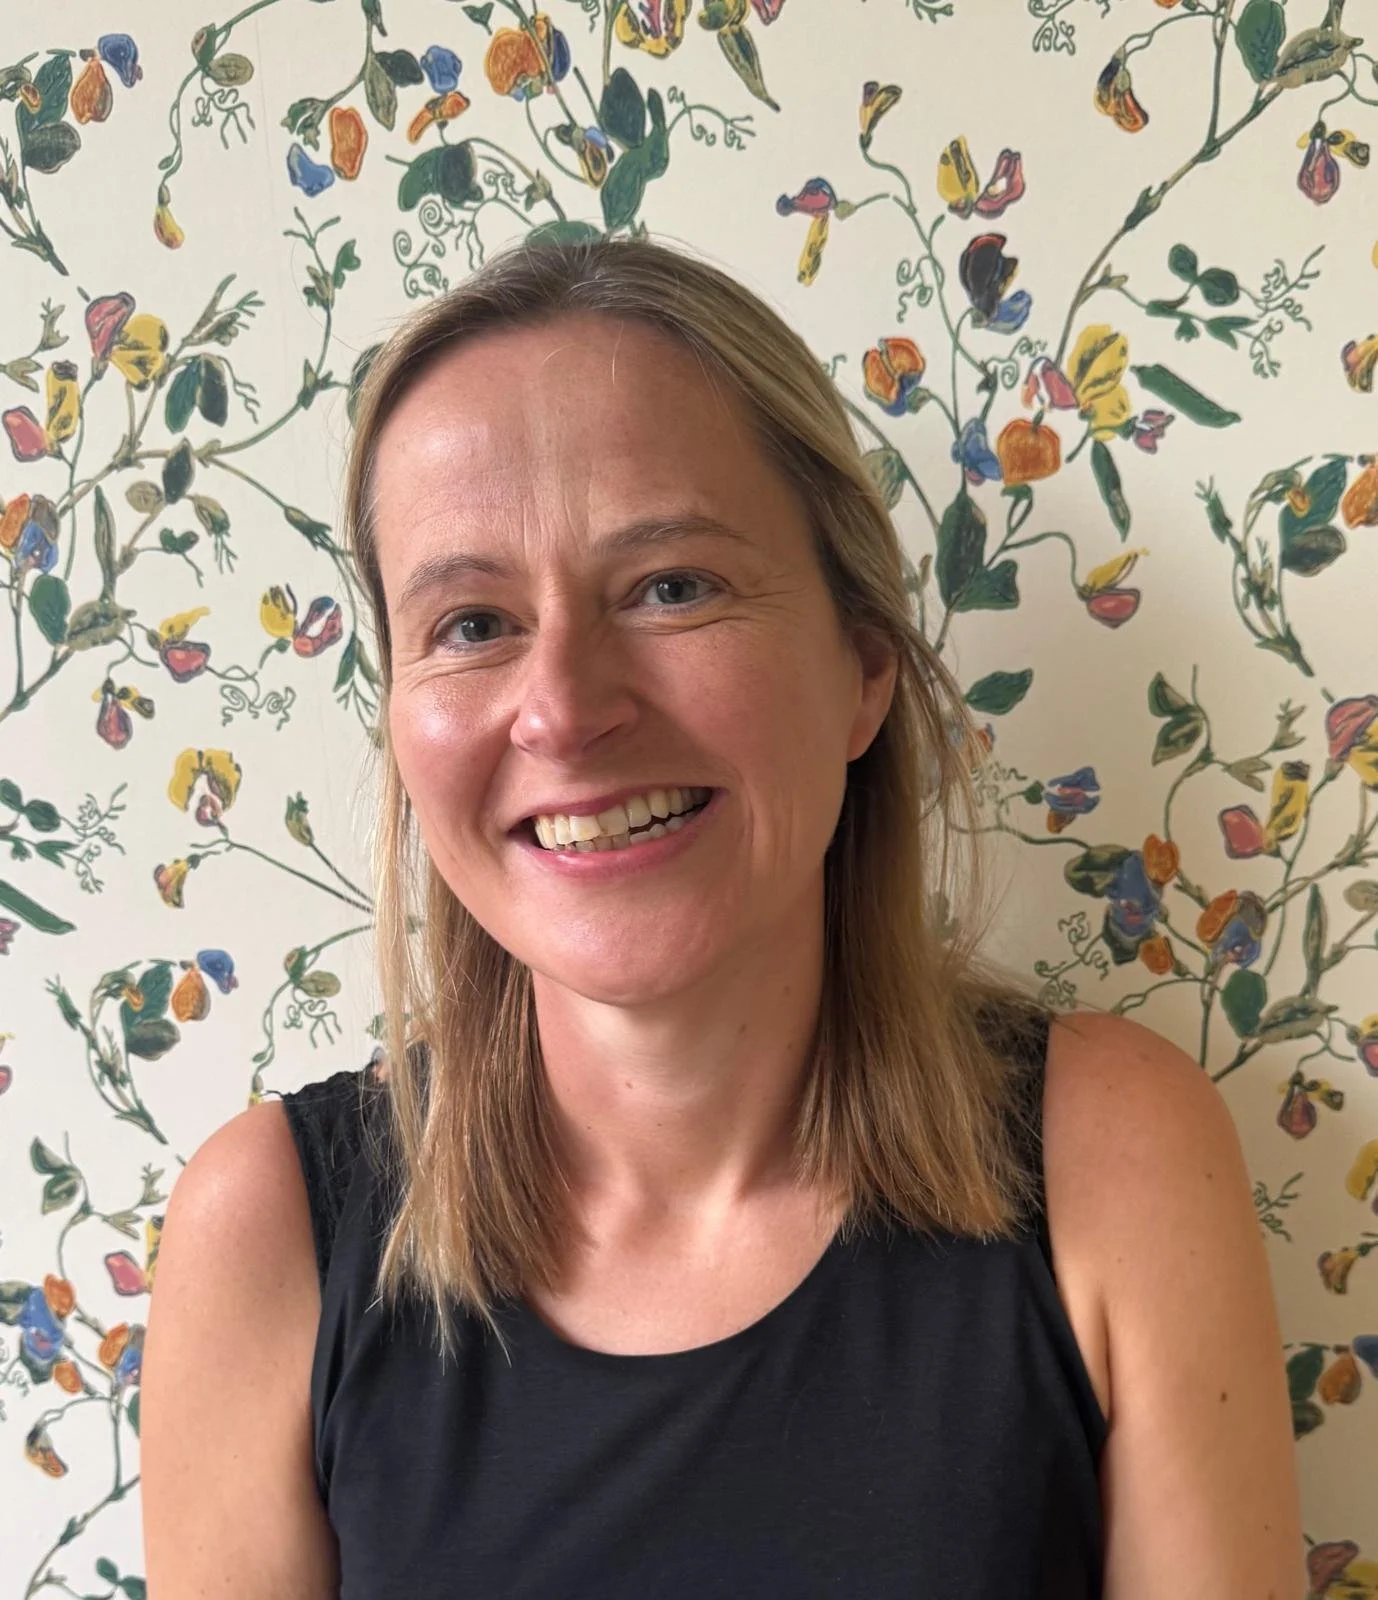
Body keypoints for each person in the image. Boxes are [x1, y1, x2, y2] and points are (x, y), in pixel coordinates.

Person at [140, 236, 1303, 1596]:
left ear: (862, 671)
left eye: (670, 586)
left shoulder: (1112, 1158)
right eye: (468, 623)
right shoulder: (268, 1235)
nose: (564, 707)